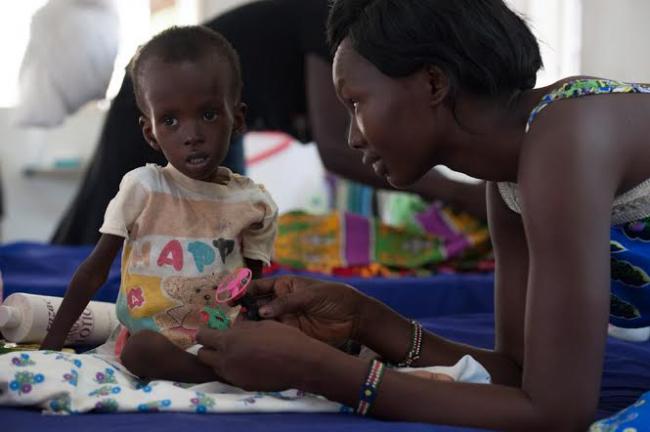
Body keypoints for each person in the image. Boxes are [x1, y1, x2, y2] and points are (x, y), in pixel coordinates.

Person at [192, 0, 650, 429]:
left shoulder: (566, 140)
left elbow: (557, 413)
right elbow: (515, 376)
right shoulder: (510, 177)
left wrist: (320, 370)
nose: (351, 136)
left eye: (355, 103)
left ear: (433, 83)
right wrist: (363, 318)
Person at [52, 0, 485, 246]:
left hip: (226, 116)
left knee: (212, 234)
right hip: (155, 97)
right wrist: (454, 192)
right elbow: (338, 150)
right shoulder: (330, 18)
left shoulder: (370, 44)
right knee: (112, 227)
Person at [41, 26, 278, 383]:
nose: (192, 134)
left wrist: (255, 333)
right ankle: (220, 374)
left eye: (209, 114)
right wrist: (50, 348)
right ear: (150, 132)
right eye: (170, 120)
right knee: (140, 351)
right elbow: (94, 270)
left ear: (238, 119)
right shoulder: (144, 188)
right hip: (152, 342)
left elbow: (252, 287)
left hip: (220, 338)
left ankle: (229, 364)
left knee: (290, 330)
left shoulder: (254, 204)